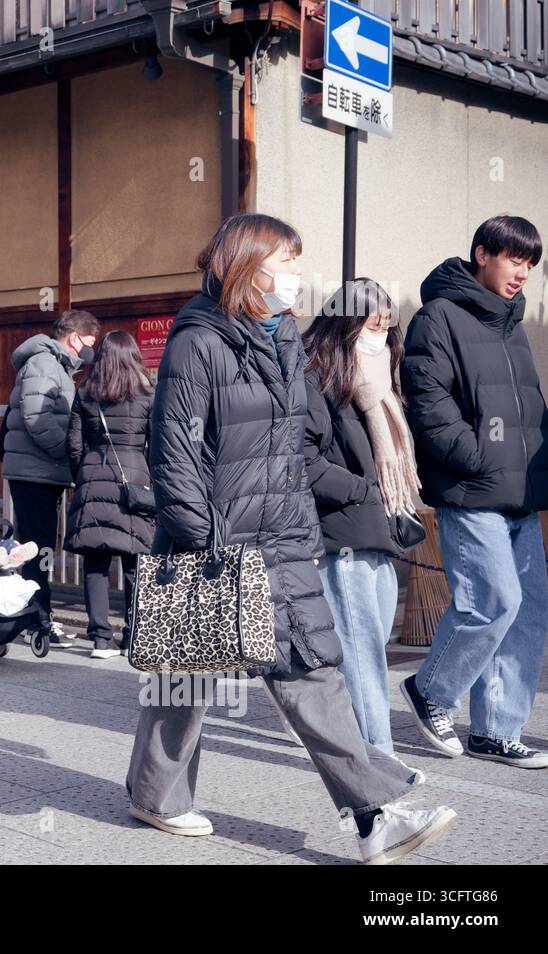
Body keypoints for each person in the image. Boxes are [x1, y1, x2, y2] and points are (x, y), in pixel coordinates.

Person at [126, 213, 456, 865]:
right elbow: (175, 456)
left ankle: (372, 813)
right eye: (287, 261)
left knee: (306, 671)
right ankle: (369, 810)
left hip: (280, 542)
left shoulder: (281, 342)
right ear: (248, 265)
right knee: (190, 680)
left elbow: (288, 455)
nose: (299, 276)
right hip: (219, 544)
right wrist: (208, 548)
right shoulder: (198, 343)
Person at [399, 215, 548, 769]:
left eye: (531, 264)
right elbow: (429, 405)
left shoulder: (513, 325)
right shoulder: (437, 317)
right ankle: (432, 689)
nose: (523, 273)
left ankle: (496, 730)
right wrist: (480, 461)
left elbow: (530, 411)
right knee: (493, 602)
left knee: (527, 612)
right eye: (515, 259)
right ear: (482, 254)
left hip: (520, 496)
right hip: (471, 492)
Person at [303, 280, 421, 760]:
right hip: (342, 537)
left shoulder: (383, 389)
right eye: (371, 325)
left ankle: (359, 745)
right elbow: (305, 462)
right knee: (362, 653)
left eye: (386, 326)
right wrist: (364, 490)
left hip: (378, 533)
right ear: (344, 325)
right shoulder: (317, 379)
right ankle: (380, 759)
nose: (381, 335)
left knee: (366, 650)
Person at [1, 309, 100, 646]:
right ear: (74, 338)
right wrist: (68, 450)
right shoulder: (45, 363)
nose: (90, 351)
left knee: (40, 545)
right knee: (37, 546)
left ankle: (37, 616)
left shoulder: (53, 365)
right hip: (35, 471)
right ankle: (37, 619)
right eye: (89, 343)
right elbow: (37, 417)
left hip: (40, 471)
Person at [64, 330, 155, 659]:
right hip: (134, 478)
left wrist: (83, 475)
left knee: (95, 562)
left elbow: (73, 443)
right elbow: (157, 443)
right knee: (135, 562)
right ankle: (133, 635)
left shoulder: (86, 390)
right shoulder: (147, 391)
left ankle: (101, 639)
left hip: (93, 474)